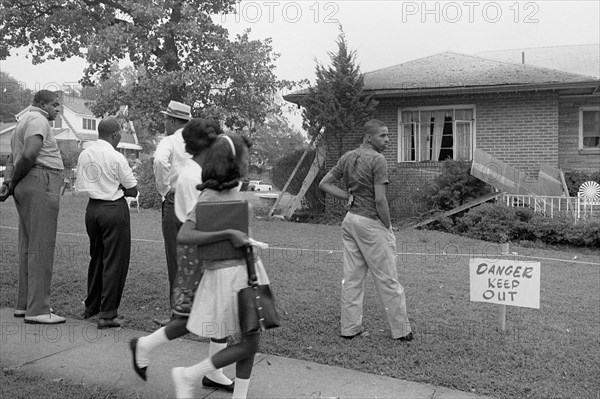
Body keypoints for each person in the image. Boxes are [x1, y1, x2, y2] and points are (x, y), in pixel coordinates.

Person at [129, 118, 234, 391]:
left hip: (204, 248)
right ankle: (144, 345)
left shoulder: (198, 170)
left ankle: (215, 371)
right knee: (190, 319)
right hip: (198, 252)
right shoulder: (191, 176)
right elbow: (199, 219)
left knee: (220, 312)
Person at [171, 134, 267, 399]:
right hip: (228, 275)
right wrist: (227, 234)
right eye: (245, 157)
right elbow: (185, 235)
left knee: (251, 338)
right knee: (250, 341)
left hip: (245, 269)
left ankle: (239, 395)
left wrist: (247, 240)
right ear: (231, 161)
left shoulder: (232, 189)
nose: (249, 162)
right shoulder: (209, 195)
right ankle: (189, 375)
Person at [318, 119, 413, 342]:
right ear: (369, 137)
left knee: (352, 278)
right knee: (388, 278)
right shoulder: (378, 160)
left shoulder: (348, 157)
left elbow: (324, 183)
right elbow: (380, 200)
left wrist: (347, 196)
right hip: (370, 222)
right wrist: (387, 226)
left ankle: (349, 328)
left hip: (350, 221)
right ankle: (401, 331)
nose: (388, 140)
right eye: (383, 136)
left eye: (388, 135)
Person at [0, 90, 66, 324]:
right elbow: (28, 155)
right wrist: (15, 181)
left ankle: (23, 305)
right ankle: (38, 310)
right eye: (54, 105)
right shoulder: (38, 120)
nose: (57, 109)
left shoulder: (22, 122)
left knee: (28, 245)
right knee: (42, 246)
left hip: (27, 184)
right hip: (40, 181)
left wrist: (9, 183)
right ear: (40, 104)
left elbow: (12, 159)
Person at [74, 117, 138, 329]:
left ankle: (91, 306)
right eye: (119, 134)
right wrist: (117, 184)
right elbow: (132, 189)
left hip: (92, 210)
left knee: (97, 258)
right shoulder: (116, 156)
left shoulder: (85, 154)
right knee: (114, 261)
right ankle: (107, 314)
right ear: (114, 135)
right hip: (113, 209)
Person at [153, 100, 192, 315]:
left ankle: (179, 312)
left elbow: (159, 162)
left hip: (175, 200)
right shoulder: (200, 143)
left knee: (175, 259)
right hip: (196, 202)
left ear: (173, 120)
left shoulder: (169, 141)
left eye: (166, 119)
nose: (165, 123)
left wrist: (164, 189)